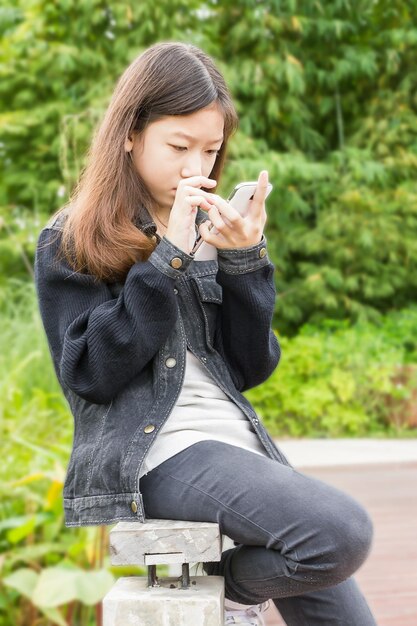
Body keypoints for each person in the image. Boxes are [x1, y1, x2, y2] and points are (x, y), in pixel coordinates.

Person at [34, 41, 377, 626]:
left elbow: (251, 369)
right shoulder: (74, 238)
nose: (197, 169)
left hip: (239, 448)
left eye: (211, 151)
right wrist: (167, 256)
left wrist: (245, 263)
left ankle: (228, 583)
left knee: (341, 583)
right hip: (158, 453)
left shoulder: (211, 228)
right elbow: (90, 372)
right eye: (179, 147)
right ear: (129, 134)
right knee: (342, 534)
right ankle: (235, 588)